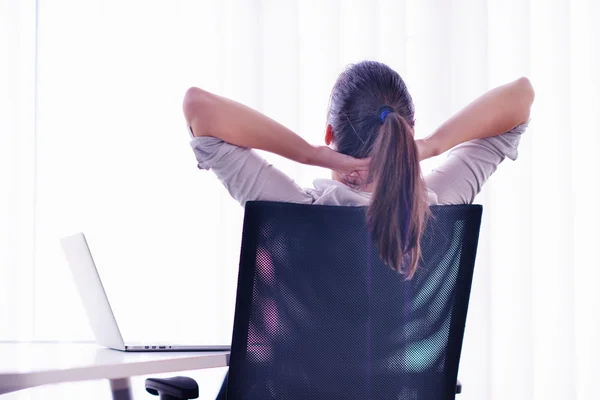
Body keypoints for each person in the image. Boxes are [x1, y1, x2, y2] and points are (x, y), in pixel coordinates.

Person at [183, 60, 534, 279]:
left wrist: (311, 154)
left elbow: (199, 108)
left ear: (330, 134)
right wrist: (430, 146)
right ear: (405, 134)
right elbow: (521, 97)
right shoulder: (436, 207)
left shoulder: (294, 213)